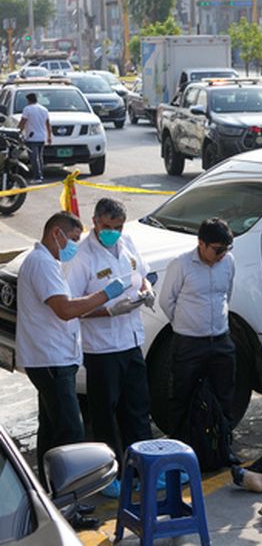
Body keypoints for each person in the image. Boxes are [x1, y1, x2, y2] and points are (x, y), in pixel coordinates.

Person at [16, 211, 127, 528]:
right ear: (56, 234)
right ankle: (66, 508)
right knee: (70, 433)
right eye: (73, 239)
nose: (75, 246)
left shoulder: (47, 263)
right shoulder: (41, 264)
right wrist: (105, 294)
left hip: (52, 358)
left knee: (52, 432)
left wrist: (102, 306)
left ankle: (52, 504)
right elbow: (65, 309)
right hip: (50, 360)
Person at [65, 198, 155, 498]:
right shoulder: (81, 257)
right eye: (107, 228)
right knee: (106, 414)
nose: (113, 233)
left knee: (138, 409)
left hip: (131, 340)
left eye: (117, 227)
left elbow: (141, 273)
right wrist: (109, 311)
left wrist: (146, 290)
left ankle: (146, 470)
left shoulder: (127, 241)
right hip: (102, 348)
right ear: (95, 222)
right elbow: (72, 307)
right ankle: (110, 476)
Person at [159, 217, 240, 465]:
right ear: (201, 244)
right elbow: (166, 301)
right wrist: (186, 325)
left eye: (226, 250)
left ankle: (223, 449)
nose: (222, 255)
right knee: (181, 398)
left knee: (225, 397)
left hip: (221, 339)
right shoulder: (181, 264)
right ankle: (180, 454)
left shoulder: (228, 262)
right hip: (189, 343)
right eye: (217, 250)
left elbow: (227, 294)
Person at [17, 92, 52, 183]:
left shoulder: (27, 109)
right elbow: (48, 124)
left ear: (28, 100)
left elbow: (23, 122)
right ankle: (41, 175)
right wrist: (49, 136)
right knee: (40, 158)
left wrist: (17, 132)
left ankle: (37, 177)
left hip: (32, 137)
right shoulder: (44, 109)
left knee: (33, 158)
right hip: (42, 137)